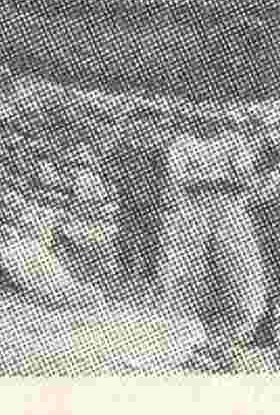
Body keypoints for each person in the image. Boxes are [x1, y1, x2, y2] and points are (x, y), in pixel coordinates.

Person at [161, 111, 267, 371]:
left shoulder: (234, 141)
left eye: (214, 114)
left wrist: (216, 182)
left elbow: (247, 180)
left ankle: (221, 345)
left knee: (232, 273)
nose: (208, 119)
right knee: (194, 276)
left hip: (227, 215)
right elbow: (179, 180)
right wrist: (214, 181)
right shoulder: (183, 143)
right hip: (194, 217)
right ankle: (200, 343)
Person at [104, 111, 172, 296]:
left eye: (147, 125)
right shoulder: (122, 149)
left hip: (152, 203)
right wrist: (117, 184)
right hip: (128, 201)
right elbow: (108, 169)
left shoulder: (157, 152)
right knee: (125, 239)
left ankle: (148, 279)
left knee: (150, 241)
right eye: (137, 124)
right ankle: (123, 276)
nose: (141, 129)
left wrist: (163, 197)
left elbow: (164, 177)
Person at [247, 131, 280, 348]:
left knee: (271, 281)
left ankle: (266, 329)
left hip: (269, 226)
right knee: (270, 280)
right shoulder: (264, 178)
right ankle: (265, 330)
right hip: (268, 228)